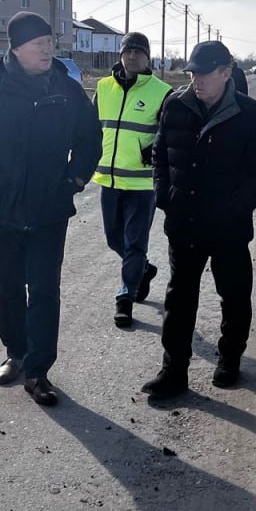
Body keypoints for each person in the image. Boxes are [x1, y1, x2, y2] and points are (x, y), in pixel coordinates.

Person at [0, 11, 101, 407]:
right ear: (16, 47)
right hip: (1, 209)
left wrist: (73, 181)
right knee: (9, 286)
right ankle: (16, 352)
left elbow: (90, 139)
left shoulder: (65, 88)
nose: (48, 49)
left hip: (49, 208)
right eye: (38, 44)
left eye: (49, 42)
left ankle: (39, 370)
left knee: (45, 289)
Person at [141, 41, 256, 400]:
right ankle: (173, 371)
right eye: (192, 73)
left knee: (233, 295)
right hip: (183, 222)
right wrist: (164, 195)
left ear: (225, 72)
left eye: (203, 73)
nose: (196, 80)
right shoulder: (175, 105)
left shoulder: (251, 114)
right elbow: (159, 153)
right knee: (179, 299)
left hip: (227, 227)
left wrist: (236, 206)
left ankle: (230, 358)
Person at [93, 32, 174, 329]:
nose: (132, 57)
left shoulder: (162, 91)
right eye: (128, 51)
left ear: (148, 57)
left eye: (139, 52)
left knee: (135, 244)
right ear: (120, 54)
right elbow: (92, 131)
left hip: (142, 185)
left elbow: (168, 139)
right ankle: (145, 270)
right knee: (114, 239)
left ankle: (124, 299)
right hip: (109, 180)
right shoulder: (103, 88)